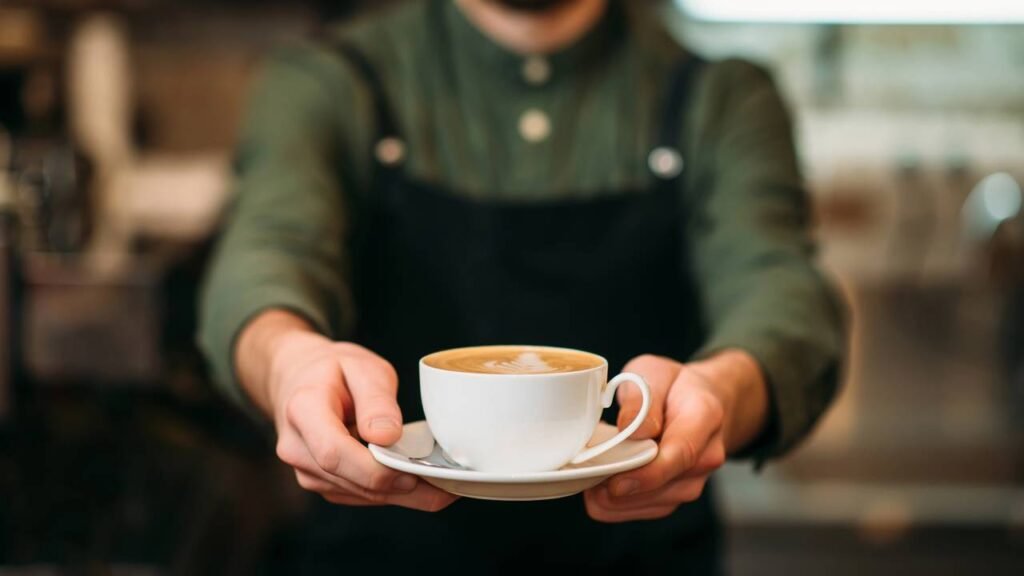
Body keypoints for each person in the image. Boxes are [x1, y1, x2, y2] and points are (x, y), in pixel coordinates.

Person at [198, 0, 847, 572]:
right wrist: (290, 363)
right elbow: (266, 252)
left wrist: (723, 392)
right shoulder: (328, 81)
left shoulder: (723, 95)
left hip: (642, 554)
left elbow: (780, 286)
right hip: (379, 552)